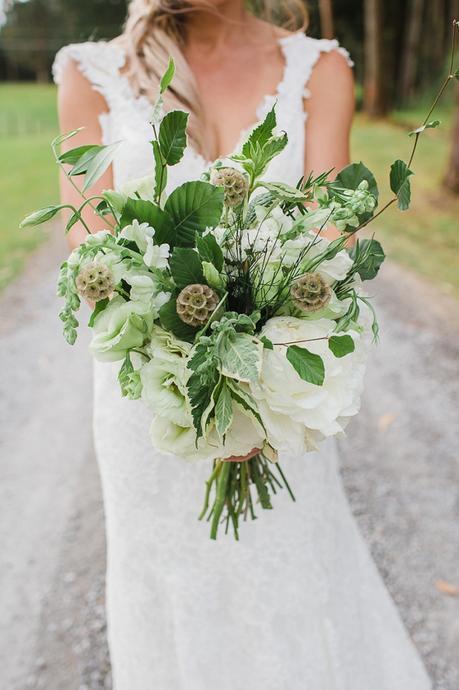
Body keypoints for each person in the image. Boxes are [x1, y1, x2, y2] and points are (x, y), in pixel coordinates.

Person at [53, 1, 432, 688]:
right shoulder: (89, 72)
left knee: (287, 571)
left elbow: (330, 236)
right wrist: (182, 339)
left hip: (279, 381)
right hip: (149, 398)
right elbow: (89, 241)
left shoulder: (318, 70)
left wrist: (257, 378)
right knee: (167, 587)